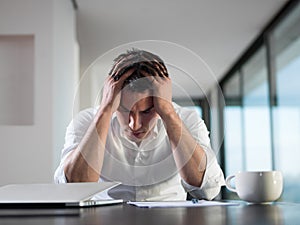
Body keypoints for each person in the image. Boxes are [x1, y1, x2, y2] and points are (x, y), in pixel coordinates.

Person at [54, 49, 225, 201]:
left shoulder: (187, 120)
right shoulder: (86, 122)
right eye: (124, 110)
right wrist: (106, 110)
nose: (134, 125)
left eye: (147, 111)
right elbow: (74, 188)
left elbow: (207, 190)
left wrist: (168, 112)